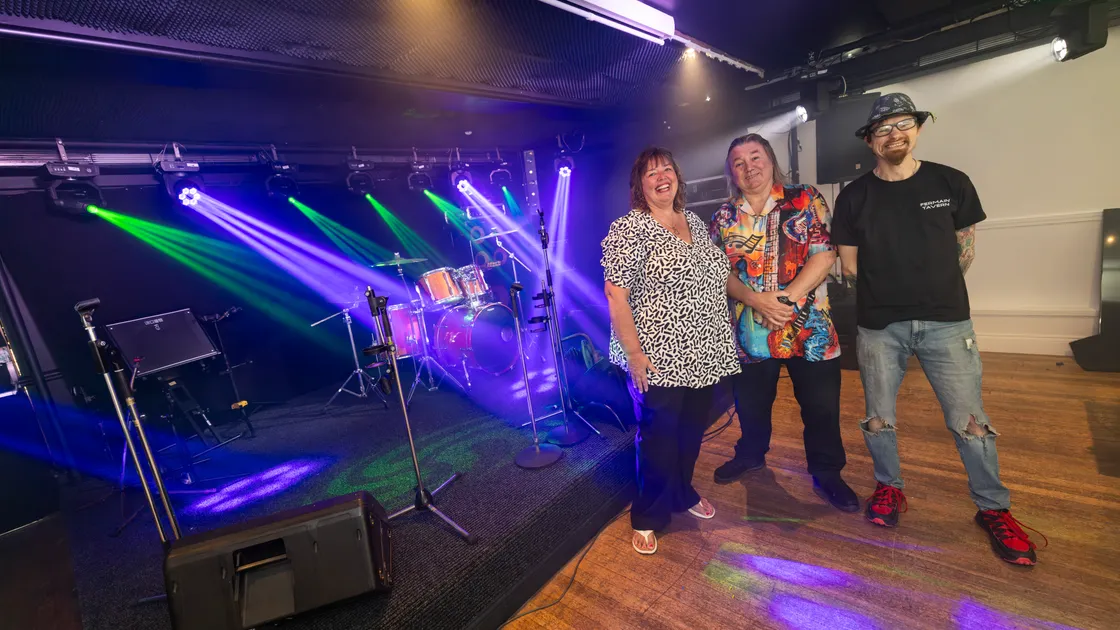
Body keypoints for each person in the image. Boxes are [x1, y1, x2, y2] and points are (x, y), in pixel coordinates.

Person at [831, 93, 1042, 565]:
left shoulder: (951, 181)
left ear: (918, 128)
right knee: (878, 418)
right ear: (870, 141)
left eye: (903, 123)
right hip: (879, 326)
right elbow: (849, 264)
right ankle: (890, 488)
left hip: (948, 322)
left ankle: (993, 508)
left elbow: (964, 250)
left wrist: (931, 288)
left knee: (971, 424)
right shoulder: (853, 196)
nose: (894, 134)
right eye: (883, 128)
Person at [708, 134, 859, 512]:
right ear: (732, 172)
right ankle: (751, 454)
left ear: (771, 160)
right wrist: (757, 300)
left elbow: (825, 255)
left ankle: (827, 473)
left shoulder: (805, 198)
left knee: (821, 408)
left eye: (755, 157)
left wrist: (785, 300)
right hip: (750, 333)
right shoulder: (723, 217)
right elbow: (718, 272)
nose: (749, 167)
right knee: (751, 404)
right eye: (739, 162)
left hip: (809, 330)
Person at [601, 147, 740, 555]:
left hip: (703, 352)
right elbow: (615, 295)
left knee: (691, 431)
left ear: (677, 176)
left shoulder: (693, 221)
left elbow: (717, 276)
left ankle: (681, 493)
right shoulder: (630, 228)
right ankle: (648, 514)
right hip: (657, 355)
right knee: (658, 438)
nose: (661, 176)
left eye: (666, 169)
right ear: (640, 187)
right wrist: (634, 353)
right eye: (650, 173)